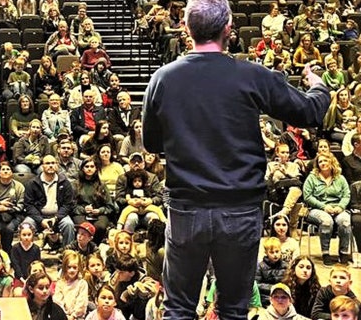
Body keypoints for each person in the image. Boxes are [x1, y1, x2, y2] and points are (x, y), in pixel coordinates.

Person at [141, 0, 331, 319]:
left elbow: (151, 143)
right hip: (240, 212)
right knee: (233, 309)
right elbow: (310, 112)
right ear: (228, 29)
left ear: (186, 29)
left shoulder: (163, 78)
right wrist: (319, 85)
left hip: (187, 211)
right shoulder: (252, 75)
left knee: (179, 308)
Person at [303, 153, 352, 266]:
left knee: (345, 221)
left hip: (337, 208)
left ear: (331, 162)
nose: (323, 163)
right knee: (326, 221)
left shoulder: (340, 178)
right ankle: (325, 253)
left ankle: (344, 253)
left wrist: (340, 206)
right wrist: (323, 207)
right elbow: (307, 196)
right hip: (317, 209)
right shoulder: (312, 177)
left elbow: (346, 195)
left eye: (325, 160)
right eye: (320, 162)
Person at [23, 155, 76, 246]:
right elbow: (29, 205)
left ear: (57, 165)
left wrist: (56, 217)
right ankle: (28, 254)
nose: (50, 165)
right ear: (42, 166)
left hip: (59, 216)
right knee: (26, 226)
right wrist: (40, 220)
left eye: (53, 163)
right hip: (38, 216)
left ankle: (68, 253)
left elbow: (68, 204)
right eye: (47, 163)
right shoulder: (32, 183)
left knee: (69, 225)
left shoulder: (65, 182)